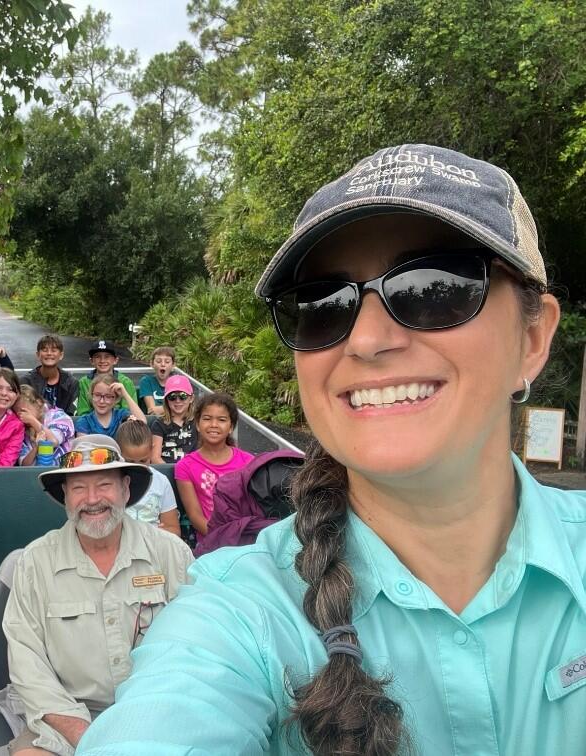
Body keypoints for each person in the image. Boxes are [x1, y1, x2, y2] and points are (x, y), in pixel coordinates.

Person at [77, 144, 573, 756]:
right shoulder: (242, 610)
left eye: (432, 288)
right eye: (322, 305)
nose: (365, 338)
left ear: (532, 337)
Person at [0, 434, 194, 755]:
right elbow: (27, 663)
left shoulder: (171, 553)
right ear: (65, 496)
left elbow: (197, 647)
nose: (92, 499)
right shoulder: (35, 562)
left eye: (104, 484)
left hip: (158, 712)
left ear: (125, 489)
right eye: (78, 488)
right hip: (67, 718)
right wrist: (87, 736)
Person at [173, 392, 255, 539]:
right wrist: (222, 539)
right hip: (210, 541)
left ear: (231, 427)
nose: (214, 425)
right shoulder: (185, 466)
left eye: (222, 420)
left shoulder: (248, 462)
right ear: (197, 424)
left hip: (245, 538)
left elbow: (254, 507)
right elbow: (195, 515)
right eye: (207, 418)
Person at [114, 421, 182, 538]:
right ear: (118, 453)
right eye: (129, 462)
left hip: (154, 543)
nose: (137, 467)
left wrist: (159, 533)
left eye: (143, 461)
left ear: (151, 450)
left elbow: (174, 529)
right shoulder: (111, 483)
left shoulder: (161, 482)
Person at [16, 384, 76, 466]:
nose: (21, 416)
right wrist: (36, 448)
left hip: (65, 470)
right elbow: (24, 465)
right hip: (35, 475)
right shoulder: (21, 429)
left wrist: (32, 421)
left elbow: (53, 441)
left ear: (38, 402)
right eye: (17, 413)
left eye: (24, 411)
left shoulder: (59, 416)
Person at [75, 340, 137, 415]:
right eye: (97, 357)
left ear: (115, 360)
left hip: (120, 424)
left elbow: (129, 411)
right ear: (91, 361)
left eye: (107, 356)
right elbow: (83, 411)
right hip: (91, 424)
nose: (102, 360)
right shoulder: (84, 382)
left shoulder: (125, 382)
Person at [22, 335, 80, 414]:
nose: (49, 353)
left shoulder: (71, 383)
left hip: (65, 424)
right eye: (45, 350)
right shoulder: (26, 381)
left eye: (53, 350)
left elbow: (72, 412)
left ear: (61, 355)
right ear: (38, 355)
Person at [74, 374, 146, 438]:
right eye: (97, 395)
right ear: (91, 396)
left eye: (108, 396)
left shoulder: (121, 416)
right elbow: (83, 448)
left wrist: (125, 394)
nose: (102, 401)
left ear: (116, 399)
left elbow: (142, 424)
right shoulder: (85, 421)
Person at [148, 375, 198, 463]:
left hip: (192, 471)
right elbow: (155, 458)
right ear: (167, 400)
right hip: (166, 471)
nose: (178, 400)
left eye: (183, 396)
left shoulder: (198, 422)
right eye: (172, 396)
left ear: (191, 398)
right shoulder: (159, 424)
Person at [137, 347, 177, 417]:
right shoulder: (146, 381)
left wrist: (161, 409)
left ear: (173, 365)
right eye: (158, 361)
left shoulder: (177, 382)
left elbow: (184, 409)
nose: (163, 364)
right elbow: (152, 411)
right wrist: (173, 408)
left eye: (167, 362)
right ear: (152, 364)